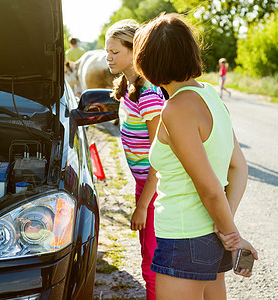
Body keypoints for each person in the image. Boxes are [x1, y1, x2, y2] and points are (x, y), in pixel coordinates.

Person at [133, 13, 258, 299]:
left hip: (183, 238)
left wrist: (234, 237)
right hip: (210, 237)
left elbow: (210, 187)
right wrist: (224, 226)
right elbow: (238, 167)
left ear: (148, 62)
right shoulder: (212, 95)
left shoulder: (176, 109)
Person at [105, 19, 166, 300]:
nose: (108, 57)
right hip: (142, 184)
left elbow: (160, 153)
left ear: (134, 51)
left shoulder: (149, 93)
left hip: (155, 188)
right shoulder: (127, 89)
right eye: (107, 51)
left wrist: (142, 205)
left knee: (152, 263)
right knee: (148, 256)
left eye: (115, 52)